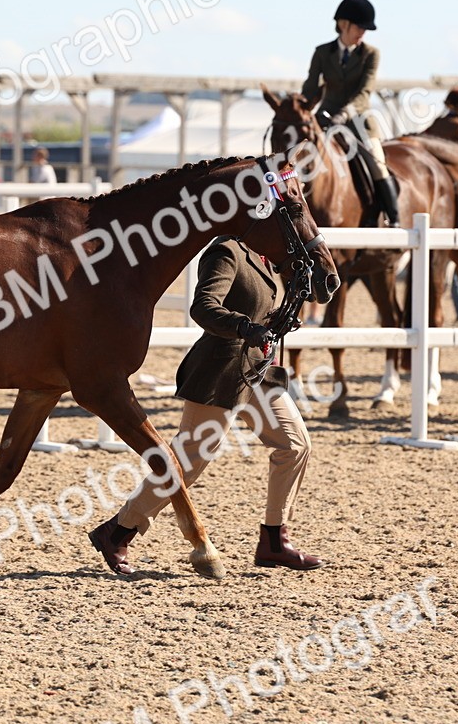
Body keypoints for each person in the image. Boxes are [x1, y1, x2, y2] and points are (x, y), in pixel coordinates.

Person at [89, 237, 323, 575]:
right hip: (222, 370)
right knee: (187, 462)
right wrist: (245, 327)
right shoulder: (226, 250)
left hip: (258, 370)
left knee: (295, 445)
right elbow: (203, 306)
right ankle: (118, 531)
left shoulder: (267, 254)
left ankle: (274, 539)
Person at [302, 0, 400, 228]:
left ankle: (393, 217)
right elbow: (309, 88)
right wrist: (300, 108)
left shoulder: (371, 54)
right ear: (343, 24)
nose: (363, 33)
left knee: (378, 163)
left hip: (358, 121)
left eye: (366, 29)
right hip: (325, 119)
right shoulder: (322, 52)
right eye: (359, 27)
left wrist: (344, 113)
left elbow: (365, 93)